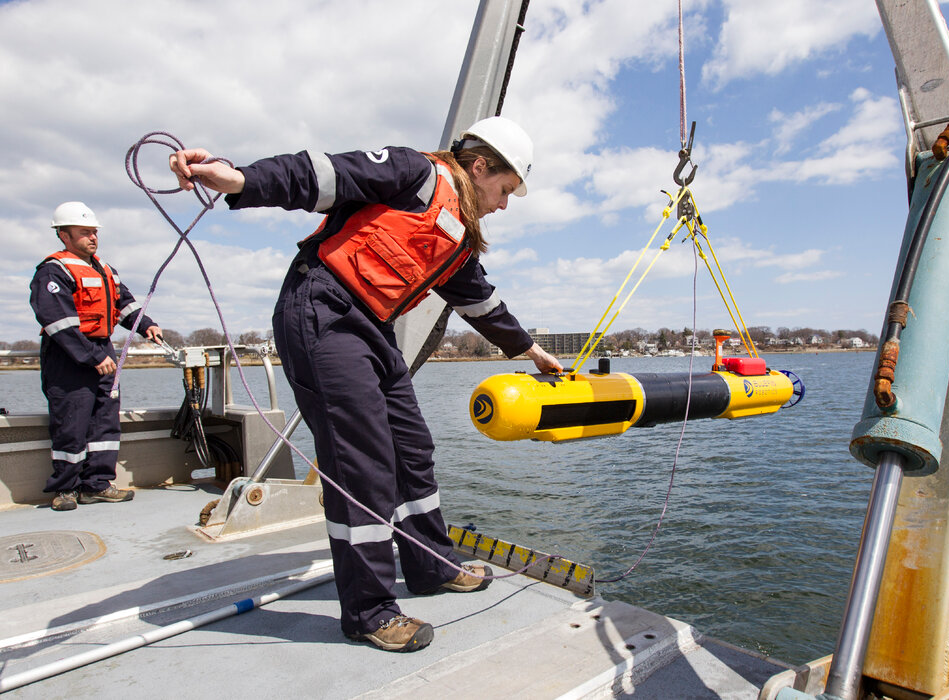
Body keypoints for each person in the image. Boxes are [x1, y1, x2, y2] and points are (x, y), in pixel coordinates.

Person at [169, 116, 562, 653]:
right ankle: (369, 610)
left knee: (412, 448)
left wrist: (529, 350)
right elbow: (320, 177)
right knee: (363, 462)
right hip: (323, 312)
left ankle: (431, 565)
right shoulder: (412, 173)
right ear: (479, 165)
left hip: (371, 328)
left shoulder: (457, 234)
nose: (504, 204)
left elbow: (478, 299)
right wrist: (237, 179)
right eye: (505, 189)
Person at [30, 202, 163, 512]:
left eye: (94, 232)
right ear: (64, 235)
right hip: (69, 356)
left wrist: (147, 325)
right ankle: (66, 489)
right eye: (84, 233)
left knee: (105, 421)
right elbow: (56, 322)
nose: (92, 238)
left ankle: (98, 485)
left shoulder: (105, 270)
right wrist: (91, 357)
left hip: (102, 351)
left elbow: (125, 305)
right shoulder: (53, 270)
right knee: (71, 423)